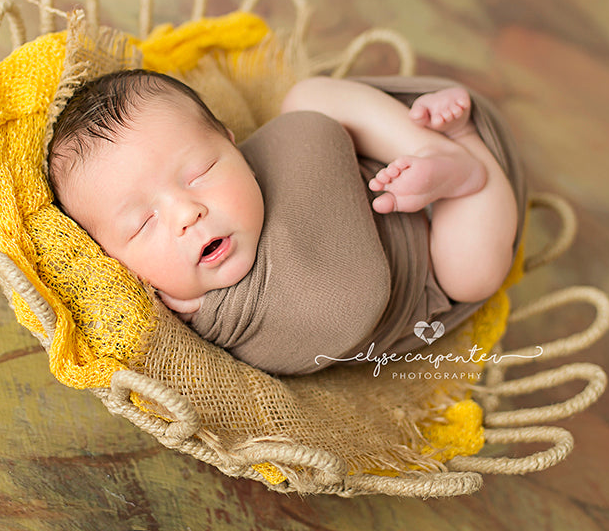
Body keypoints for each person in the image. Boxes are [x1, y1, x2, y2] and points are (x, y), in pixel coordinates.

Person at [47, 69, 519, 374]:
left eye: (200, 173)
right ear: (113, 263)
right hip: (430, 258)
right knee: (470, 273)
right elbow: (346, 305)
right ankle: (469, 162)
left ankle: (429, 146)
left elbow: (312, 139)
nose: (186, 214)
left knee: (306, 96)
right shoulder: (195, 319)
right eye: (142, 224)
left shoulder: (276, 159)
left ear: (235, 146)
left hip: (382, 164)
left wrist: (337, 144)